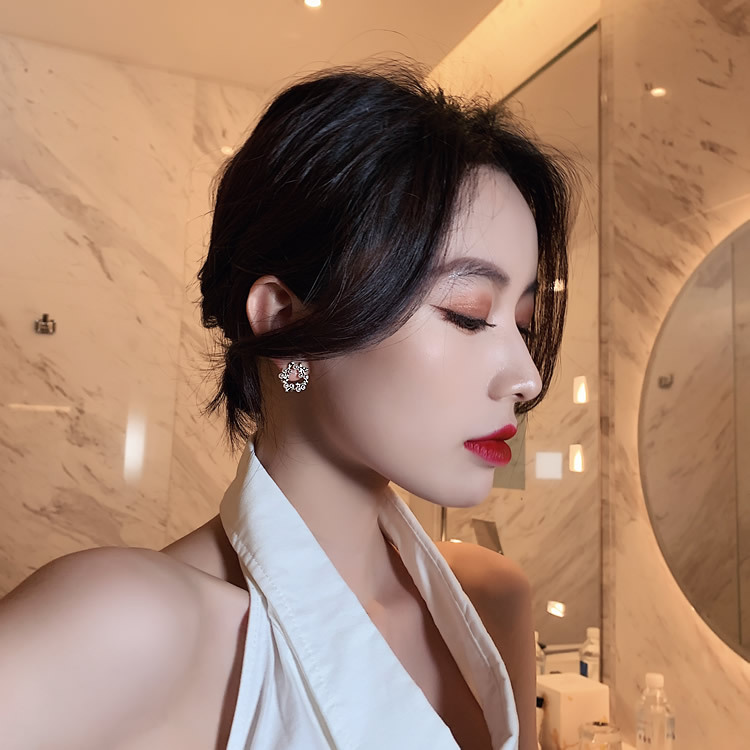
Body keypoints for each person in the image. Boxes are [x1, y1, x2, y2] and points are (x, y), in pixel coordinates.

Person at [0, 64, 576, 750]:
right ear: (281, 320)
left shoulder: (492, 598)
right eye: (468, 314)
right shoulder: (129, 628)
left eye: (524, 324)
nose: (525, 378)